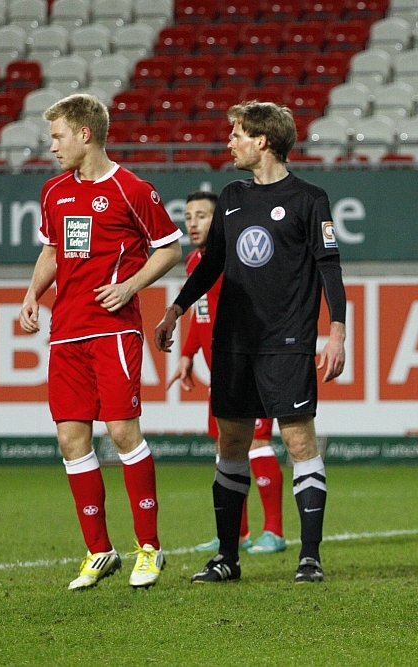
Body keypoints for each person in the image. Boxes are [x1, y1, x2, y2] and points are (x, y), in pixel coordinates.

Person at [153, 101, 346, 584]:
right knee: (231, 443)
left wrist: (337, 331)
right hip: (234, 343)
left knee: (298, 439)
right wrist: (176, 309)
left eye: (237, 134)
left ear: (262, 140)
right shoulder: (232, 196)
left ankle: (309, 557)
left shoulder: (310, 198)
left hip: (288, 339)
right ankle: (226, 557)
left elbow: (329, 268)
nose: (229, 143)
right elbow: (212, 262)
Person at [18, 94, 182, 590]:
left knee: (122, 432)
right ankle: (98, 551)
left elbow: (170, 248)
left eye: (58, 136)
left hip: (113, 330)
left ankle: (149, 549)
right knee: (71, 439)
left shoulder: (132, 189)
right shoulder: (54, 192)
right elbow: (52, 248)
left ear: (84, 134)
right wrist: (32, 294)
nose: (52, 147)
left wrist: (131, 286)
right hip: (66, 331)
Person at [166, 191, 287, 556]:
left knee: (258, 443)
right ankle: (236, 533)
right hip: (220, 370)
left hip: (251, 364)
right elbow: (200, 312)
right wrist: (187, 354)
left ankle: (275, 532)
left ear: (219, 221)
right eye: (188, 216)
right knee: (226, 447)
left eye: (202, 215)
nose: (192, 223)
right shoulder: (193, 262)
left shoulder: (239, 258)